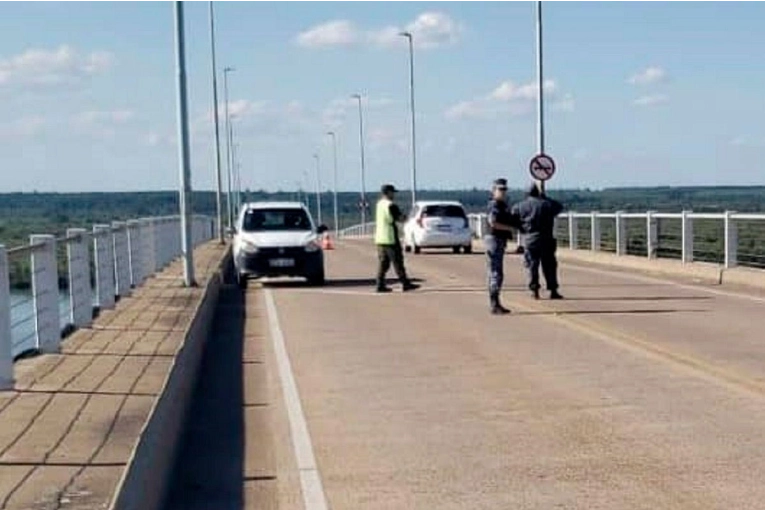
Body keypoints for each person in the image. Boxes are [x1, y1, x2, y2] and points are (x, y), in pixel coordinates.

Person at [512, 183, 564, 300]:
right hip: (546, 239)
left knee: (532, 266)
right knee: (549, 266)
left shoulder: (520, 206)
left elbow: (514, 220)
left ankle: (534, 290)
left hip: (530, 239)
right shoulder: (546, 204)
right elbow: (559, 207)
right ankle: (553, 290)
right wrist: (545, 198)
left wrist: (522, 229)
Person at [374, 184, 419, 293]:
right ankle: (405, 283)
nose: (394, 194)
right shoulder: (391, 205)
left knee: (383, 263)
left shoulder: (379, 204)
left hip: (380, 237)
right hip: (390, 237)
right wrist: (407, 217)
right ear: (388, 192)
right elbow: (400, 218)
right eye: (392, 192)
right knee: (398, 261)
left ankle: (379, 284)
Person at [485, 178, 518, 315]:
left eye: (505, 189)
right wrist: (509, 227)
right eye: (500, 189)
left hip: (498, 239)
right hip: (495, 239)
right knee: (496, 273)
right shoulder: (495, 205)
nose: (503, 192)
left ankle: (496, 302)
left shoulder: (502, 205)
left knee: (496, 272)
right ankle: (494, 303)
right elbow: (493, 222)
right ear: (494, 191)